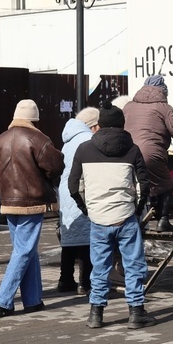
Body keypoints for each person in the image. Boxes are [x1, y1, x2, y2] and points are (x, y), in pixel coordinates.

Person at [68, 103, 155, 329]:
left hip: (98, 218)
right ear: (121, 125)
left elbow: (74, 186)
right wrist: (136, 210)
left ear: (99, 125)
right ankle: (136, 313)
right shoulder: (132, 149)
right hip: (125, 215)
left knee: (100, 266)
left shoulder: (84, 150)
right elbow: (143, 185)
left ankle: (96, 313)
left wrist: (88, 209)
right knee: (134, 264)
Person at [0, 99, 65, 317]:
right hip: (31, 201)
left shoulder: (0, 139)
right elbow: (55, 166)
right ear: (35, 118)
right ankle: (3, 300)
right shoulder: (38, 138)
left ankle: (32, 300)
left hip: (8, 201)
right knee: (24, 250)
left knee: (25, 249)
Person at [124, 76, 173, 233]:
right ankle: (163, 221)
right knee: (165, 184)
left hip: (127, 154)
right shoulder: (164, 108)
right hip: (150, 154)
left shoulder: (128, 106)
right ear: (163, 91)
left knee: (132, 187)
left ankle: (132, 223)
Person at [57, 107, 99, 295]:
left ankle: (65, 279)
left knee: (69, 240)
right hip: (81, 192)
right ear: (93, 125)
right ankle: (85, 282)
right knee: (86, 240)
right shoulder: (88, 140)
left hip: (66, 193)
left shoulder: (69, 140)